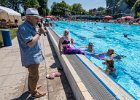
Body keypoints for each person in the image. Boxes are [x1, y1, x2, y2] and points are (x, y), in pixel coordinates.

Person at [17, 8, 46, 98]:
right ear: (28, 17)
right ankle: (34, 93)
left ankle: (32, 88)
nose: (38, 20)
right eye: (35, 18)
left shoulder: (30, 25)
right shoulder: (24, 28)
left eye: (38, 17)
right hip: (31, 57)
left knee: (33, 75)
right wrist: (39, 33)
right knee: (34, 76)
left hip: (34, 55)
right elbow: (30, 43)